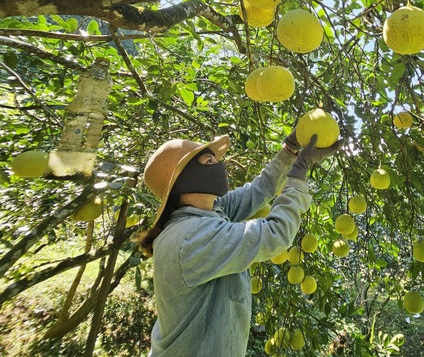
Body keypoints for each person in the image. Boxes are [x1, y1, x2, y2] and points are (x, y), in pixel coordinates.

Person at [136, 130, 344, 356]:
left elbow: (258, 191)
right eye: (209, 160)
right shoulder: (191, 237)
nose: (219, 166)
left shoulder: (209, 212)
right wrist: (299, 172)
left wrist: (290, 151)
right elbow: (276, 234)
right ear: (185, 180)